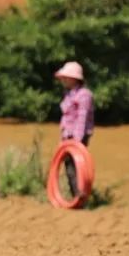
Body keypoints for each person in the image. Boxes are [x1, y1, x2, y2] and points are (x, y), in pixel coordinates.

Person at [55, 60, 94, 196]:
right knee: (68, 164)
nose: (63, 80)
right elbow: (66, 117)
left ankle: (80, 193)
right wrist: (64, 137)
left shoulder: (84, 95)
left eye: (66, 77)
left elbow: (81, 119)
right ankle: (75, 194)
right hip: (68, 135)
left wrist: (77, 140)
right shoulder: (68, 94)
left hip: (79, 135)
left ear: (74, 79)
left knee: (76, 164)